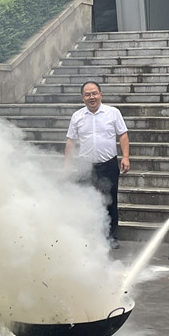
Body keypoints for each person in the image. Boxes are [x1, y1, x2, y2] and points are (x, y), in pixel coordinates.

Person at [65, 81, 130, 249]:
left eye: (94, 93)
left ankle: (111, 237)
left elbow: (123, 135)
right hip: (85, 166)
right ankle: (88, 236)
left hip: (108, 165)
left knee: (110, 201)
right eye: (87, 94)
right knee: (85, 201)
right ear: (82, 97)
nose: (91, 97)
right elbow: (71, 141)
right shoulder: (77, 116)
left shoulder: (113, 113)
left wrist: (125, 157)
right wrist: (68, 164)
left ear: (101, 94)